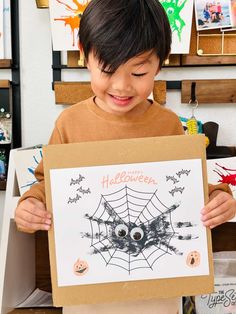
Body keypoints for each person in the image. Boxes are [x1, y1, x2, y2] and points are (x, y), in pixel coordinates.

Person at [15, 0, 235, 252]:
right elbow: (48, 186)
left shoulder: (167, 124)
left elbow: (186, 186)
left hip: (159, 275)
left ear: (160, 63)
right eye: (108, 70)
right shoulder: (69, 124)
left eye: (138, 73)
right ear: (85, 55)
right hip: (87, 272)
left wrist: (219, 197)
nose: (121, 86)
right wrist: (31, 204)